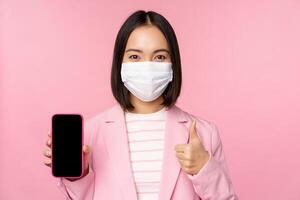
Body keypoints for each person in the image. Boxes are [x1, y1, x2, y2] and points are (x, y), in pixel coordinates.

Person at [43, 10, 238, 200]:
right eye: (135, 57)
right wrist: (78, 175)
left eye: (159, 57)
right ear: (120, 64)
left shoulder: (205, 133)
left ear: (173, 65)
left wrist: (204, 168)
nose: (147, 66)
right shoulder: (91, 134)